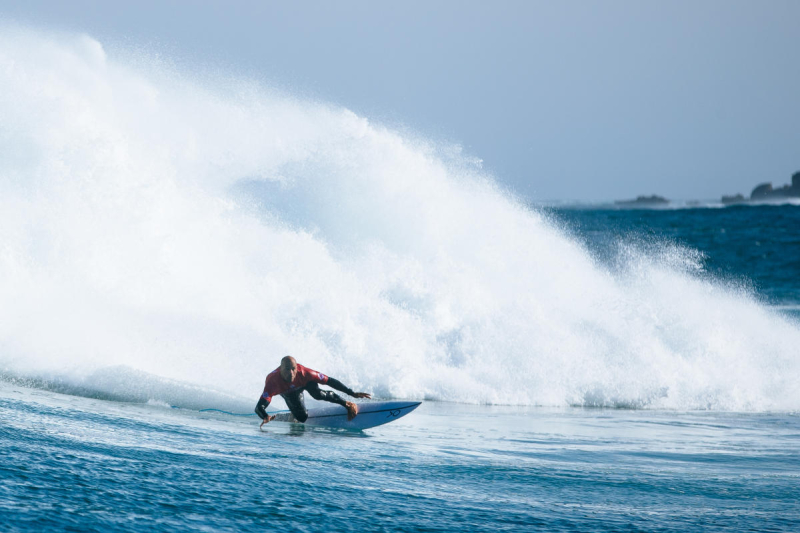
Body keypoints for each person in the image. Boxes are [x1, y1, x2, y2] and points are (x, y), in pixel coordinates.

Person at [255, 356, 371, 428]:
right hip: (288, 392)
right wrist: (265, 416)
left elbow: (329, 381)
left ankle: (347, 404)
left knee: (318, 394)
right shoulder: (272, 381)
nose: (291, 373)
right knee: (302, 418)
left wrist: (351, 393)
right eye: (287, 369)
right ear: (280, 369)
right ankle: (293, 415)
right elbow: (259, 407)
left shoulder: (306, 373)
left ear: (297, 368)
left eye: (293, 369)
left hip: (304, 384)